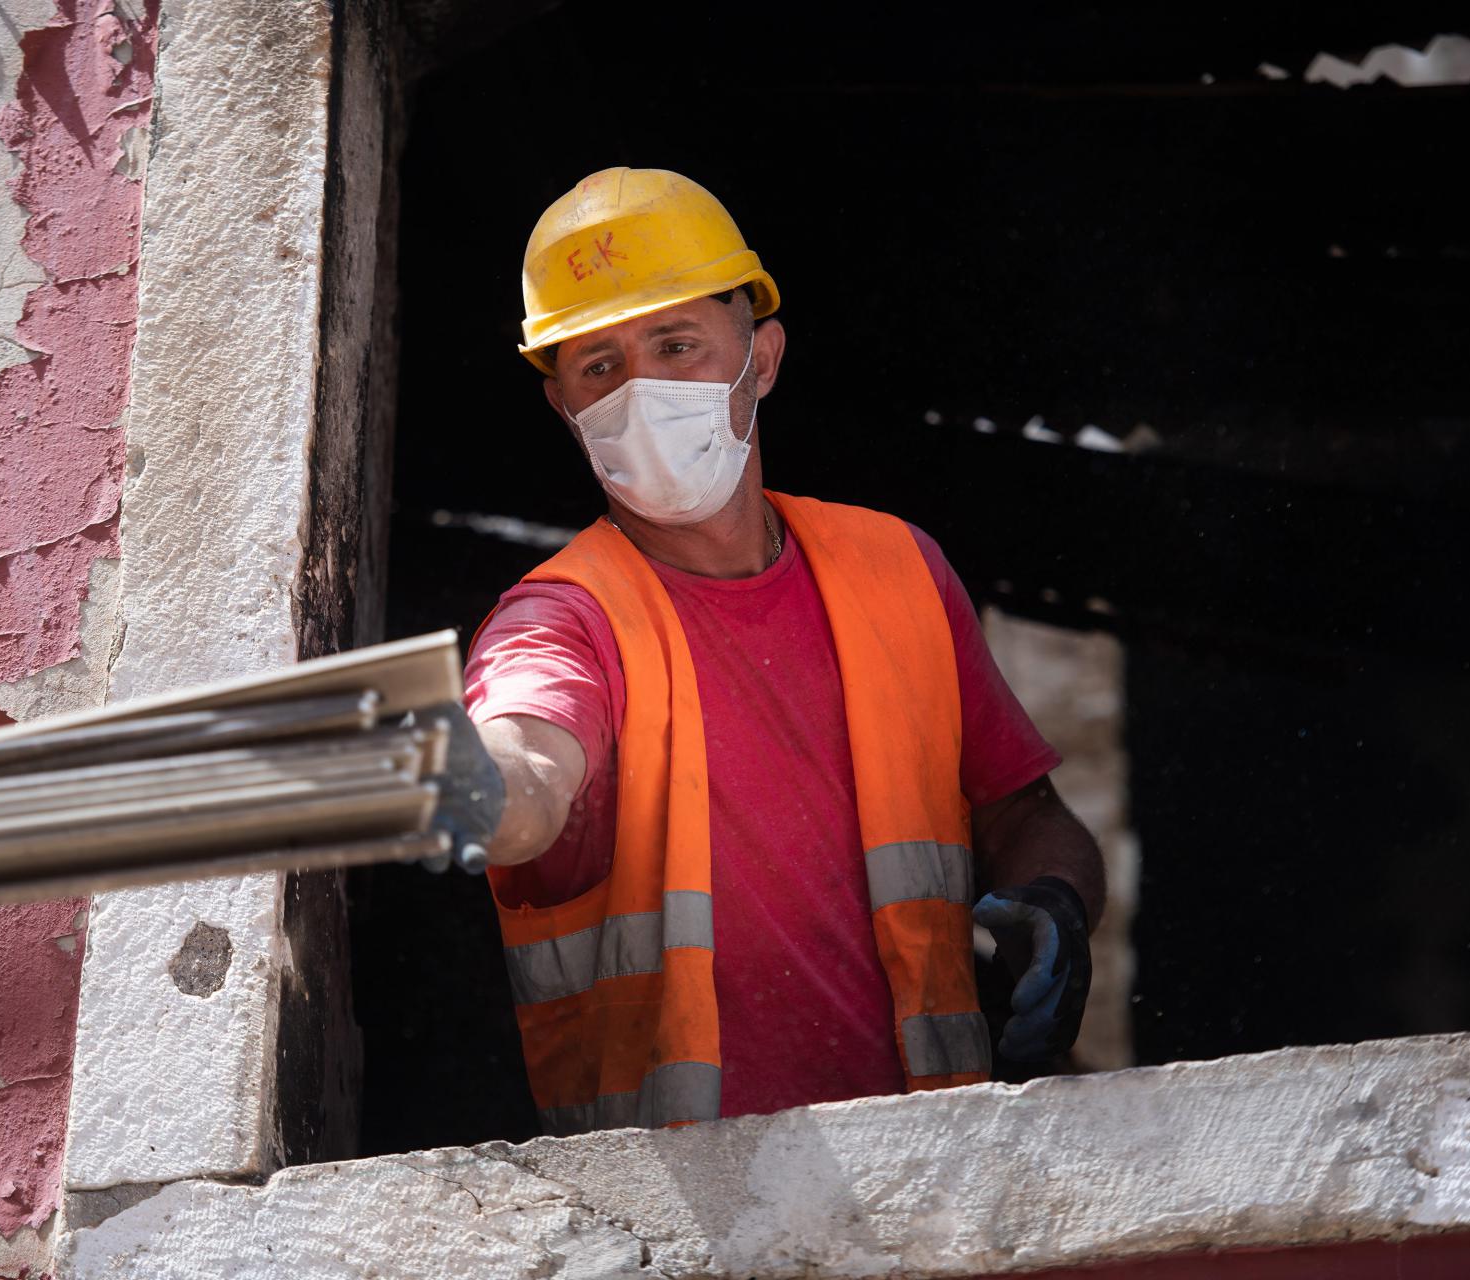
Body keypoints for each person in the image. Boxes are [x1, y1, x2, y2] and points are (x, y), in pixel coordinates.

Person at [464, 167, 1106, 1136]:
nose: (641, 390)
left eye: (676, 345)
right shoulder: (561, 620)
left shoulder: (895, 567)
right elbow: (525, 758)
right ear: (562, 404)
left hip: (937, 1159)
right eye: (599, 366)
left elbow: (1025, 811)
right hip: (683, 1208)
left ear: (759, 360)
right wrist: (464, 780)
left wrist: (1054, 903)